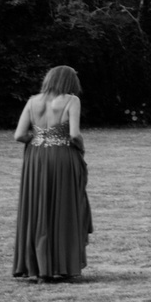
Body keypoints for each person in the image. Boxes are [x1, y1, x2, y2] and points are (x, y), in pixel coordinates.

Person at [12, 66, 93, 283]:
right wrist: (81, 148)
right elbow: (74, 134)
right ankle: (63, 266)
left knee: (37, 207)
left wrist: (39, 139)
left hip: (36, 159)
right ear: (69, 81)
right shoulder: (71, 100)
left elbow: (19, 135)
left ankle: (37, 268)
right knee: (64, 207)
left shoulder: (33, 101)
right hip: (63, 157)